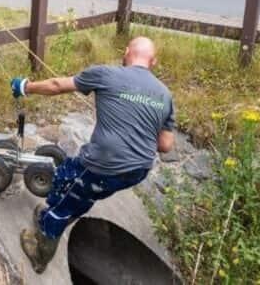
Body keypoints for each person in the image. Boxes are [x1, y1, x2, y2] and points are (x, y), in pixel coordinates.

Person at [10, 36, 176, 274]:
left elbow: (58, 86)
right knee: (70, 179)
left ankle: (41, 253)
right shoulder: (165, 94)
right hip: (137, 171)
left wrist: (25, 86)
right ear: (154, 62)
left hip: (103, 164)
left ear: (126, 52)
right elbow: (166, 144)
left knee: (68, 195)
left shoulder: (106, 74)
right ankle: (60, 210)